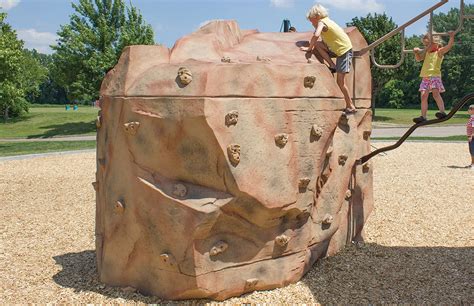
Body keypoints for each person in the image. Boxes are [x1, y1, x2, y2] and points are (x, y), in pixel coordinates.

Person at [300, 4, 356, 114]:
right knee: (319, 45)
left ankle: (350, 106)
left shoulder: (322, 22)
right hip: (337, 49)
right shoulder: (327, 21)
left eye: (312, 21)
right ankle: (332, 65)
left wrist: (309, 48)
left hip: (344, 52)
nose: (312, 24)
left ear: (317, 16)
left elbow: (316, 35)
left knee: (340, 82)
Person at [412, 32, 456, 123]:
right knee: (423, 96)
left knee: (435, 94)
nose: (426, 47)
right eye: (425, 45)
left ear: (435, 43)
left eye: (428, 44)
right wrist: (416, 52)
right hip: (425, 77)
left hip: (434, 76)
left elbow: (448, 46)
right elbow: (418, 59)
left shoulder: (439, 52)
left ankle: (442, 112)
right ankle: (423, 116)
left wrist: (451, 37)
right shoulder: (426, 53)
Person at [467, 104, 474, 169]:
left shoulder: (473, 118)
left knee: (472, 150)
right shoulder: (471, 118)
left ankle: (473, 164)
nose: (468, 110)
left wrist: (471, 136)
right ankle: (472, 163)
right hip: (470, 136)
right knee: (471, 150)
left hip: (472, 137)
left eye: (469, 109)